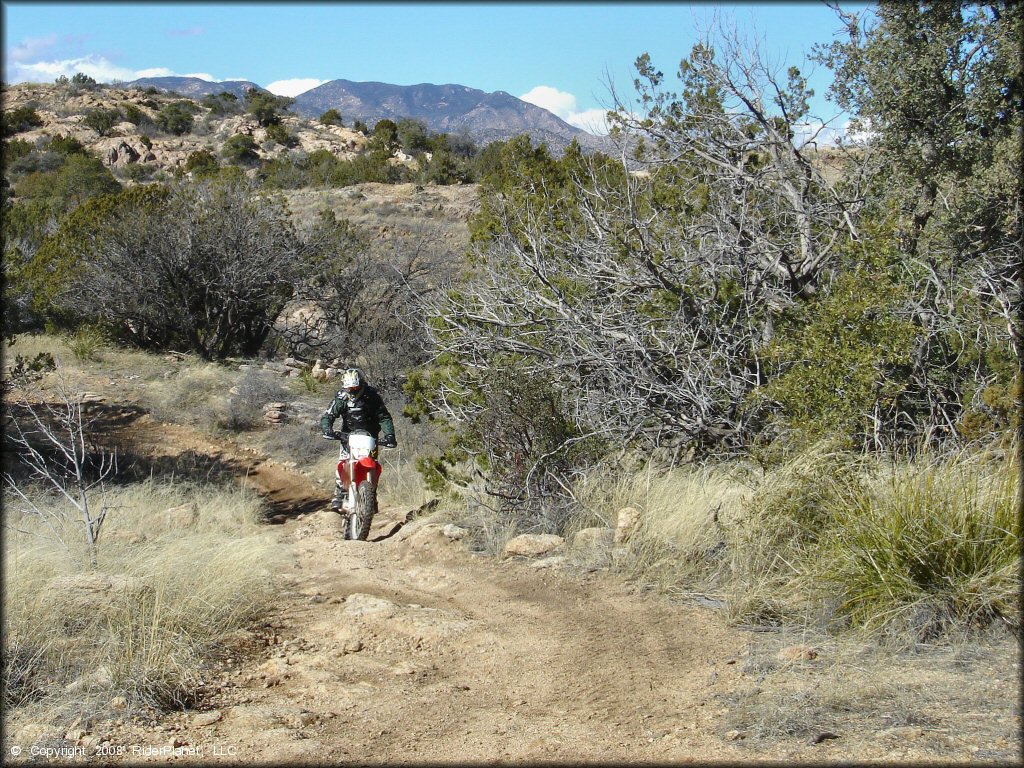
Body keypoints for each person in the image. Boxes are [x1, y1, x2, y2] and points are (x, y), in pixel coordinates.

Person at [320, 368, 397, 511]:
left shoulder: (372, 396)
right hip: (347, 437)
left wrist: (390, 435)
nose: (353, 390)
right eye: (350, 388)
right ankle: (340, 493)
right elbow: (328, 415)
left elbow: (384, 417)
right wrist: (327, 429)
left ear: (361, 383)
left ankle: (372, 495)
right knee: (343, 462)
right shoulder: (342, 397)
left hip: (370, 438)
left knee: (373, 464)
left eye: (355, 387)